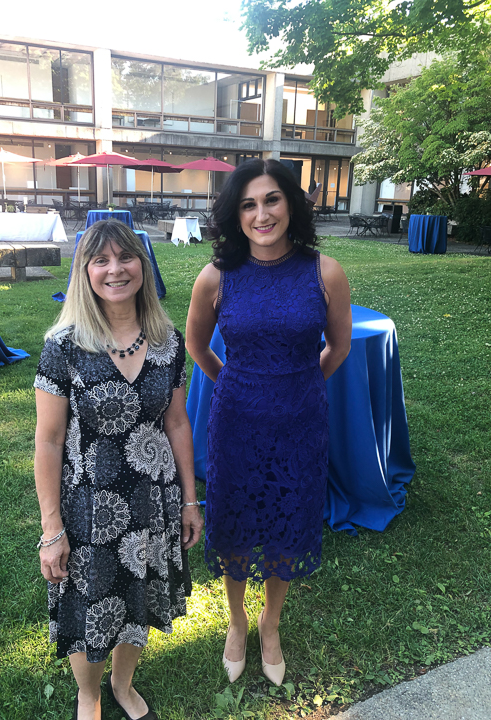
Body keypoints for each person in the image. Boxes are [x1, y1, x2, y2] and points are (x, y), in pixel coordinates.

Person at [186, 159, 351, 686]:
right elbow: (196, 346)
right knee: (234, 523)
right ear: (235, 215)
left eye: (272, 200)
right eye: (248, 204)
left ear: (291, 204)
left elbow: (339, 347)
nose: (262, 214)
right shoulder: (216, 276)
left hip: (302, 423)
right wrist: (237, 381)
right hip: (236, 421)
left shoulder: (325, 272)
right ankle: (237, 621)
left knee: (289, 521)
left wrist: (301, 383)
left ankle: (270, 623)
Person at [34, 220, 203, 720]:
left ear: (142, 265)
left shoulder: (168, 341)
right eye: (101, 260)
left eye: (126, 257)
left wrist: (189, 500)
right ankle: (88, 695)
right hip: (89, 508)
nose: (115, 270)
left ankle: (122, 685)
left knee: (140, 598)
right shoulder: (64, 346)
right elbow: (49, 440)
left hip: (153, 501)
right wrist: (51, 527)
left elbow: (177, 423)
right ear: (85, 272)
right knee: (87, 606)